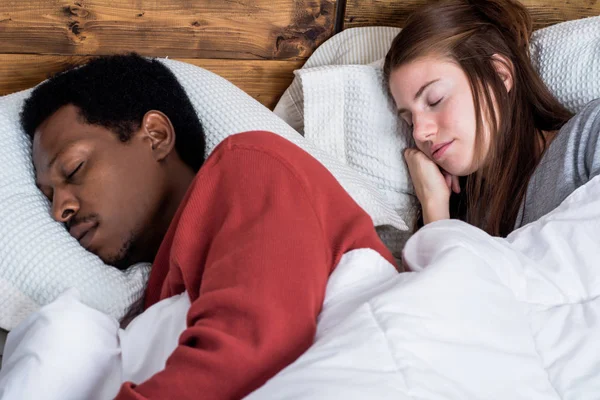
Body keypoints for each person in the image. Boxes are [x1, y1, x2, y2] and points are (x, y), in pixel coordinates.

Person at [18, 53, 395, 399]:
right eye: (49, 195)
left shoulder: (250, 164)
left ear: (156, 135)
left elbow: (255, 344)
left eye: (74, 169)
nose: (59, 209)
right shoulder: (159, 296)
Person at [383, 0, 600, 236]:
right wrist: (434, 208)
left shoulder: (588, 137)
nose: (418, 133)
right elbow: (441, 275)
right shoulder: (462, 226)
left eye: (435, 100)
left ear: (499, 74)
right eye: (409, 121)